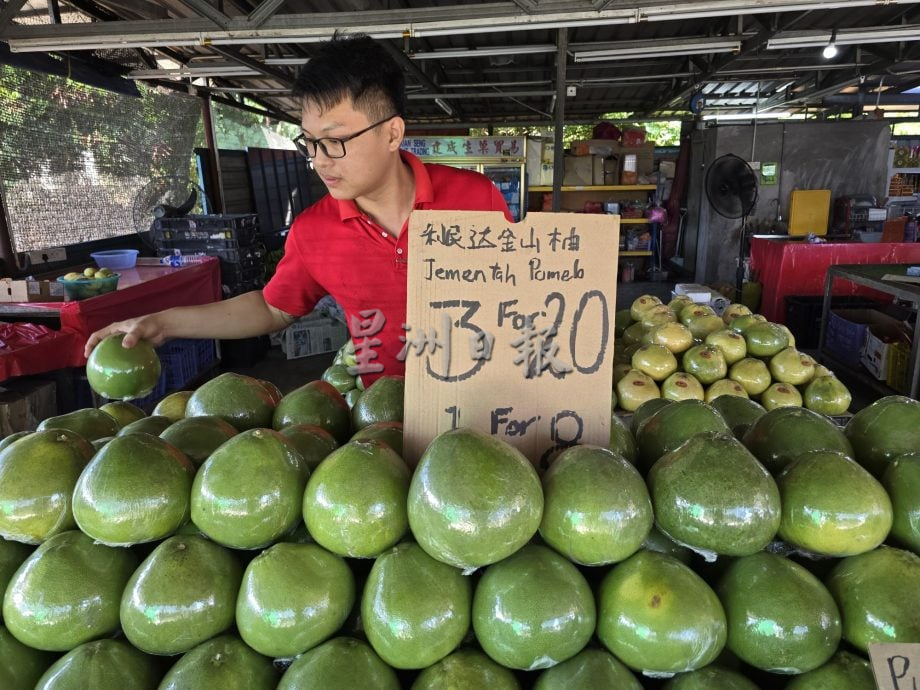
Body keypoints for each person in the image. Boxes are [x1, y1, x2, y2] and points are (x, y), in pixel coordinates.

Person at [85, 34, 512, 384]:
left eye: (334, 140)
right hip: (384, 426)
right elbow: (272, 309)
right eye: (309, 141)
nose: (319, 160)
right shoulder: (314, 231)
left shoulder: (476, 198)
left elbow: (518, 295)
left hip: (483, 403)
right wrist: (163, 322)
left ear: (392, 133)